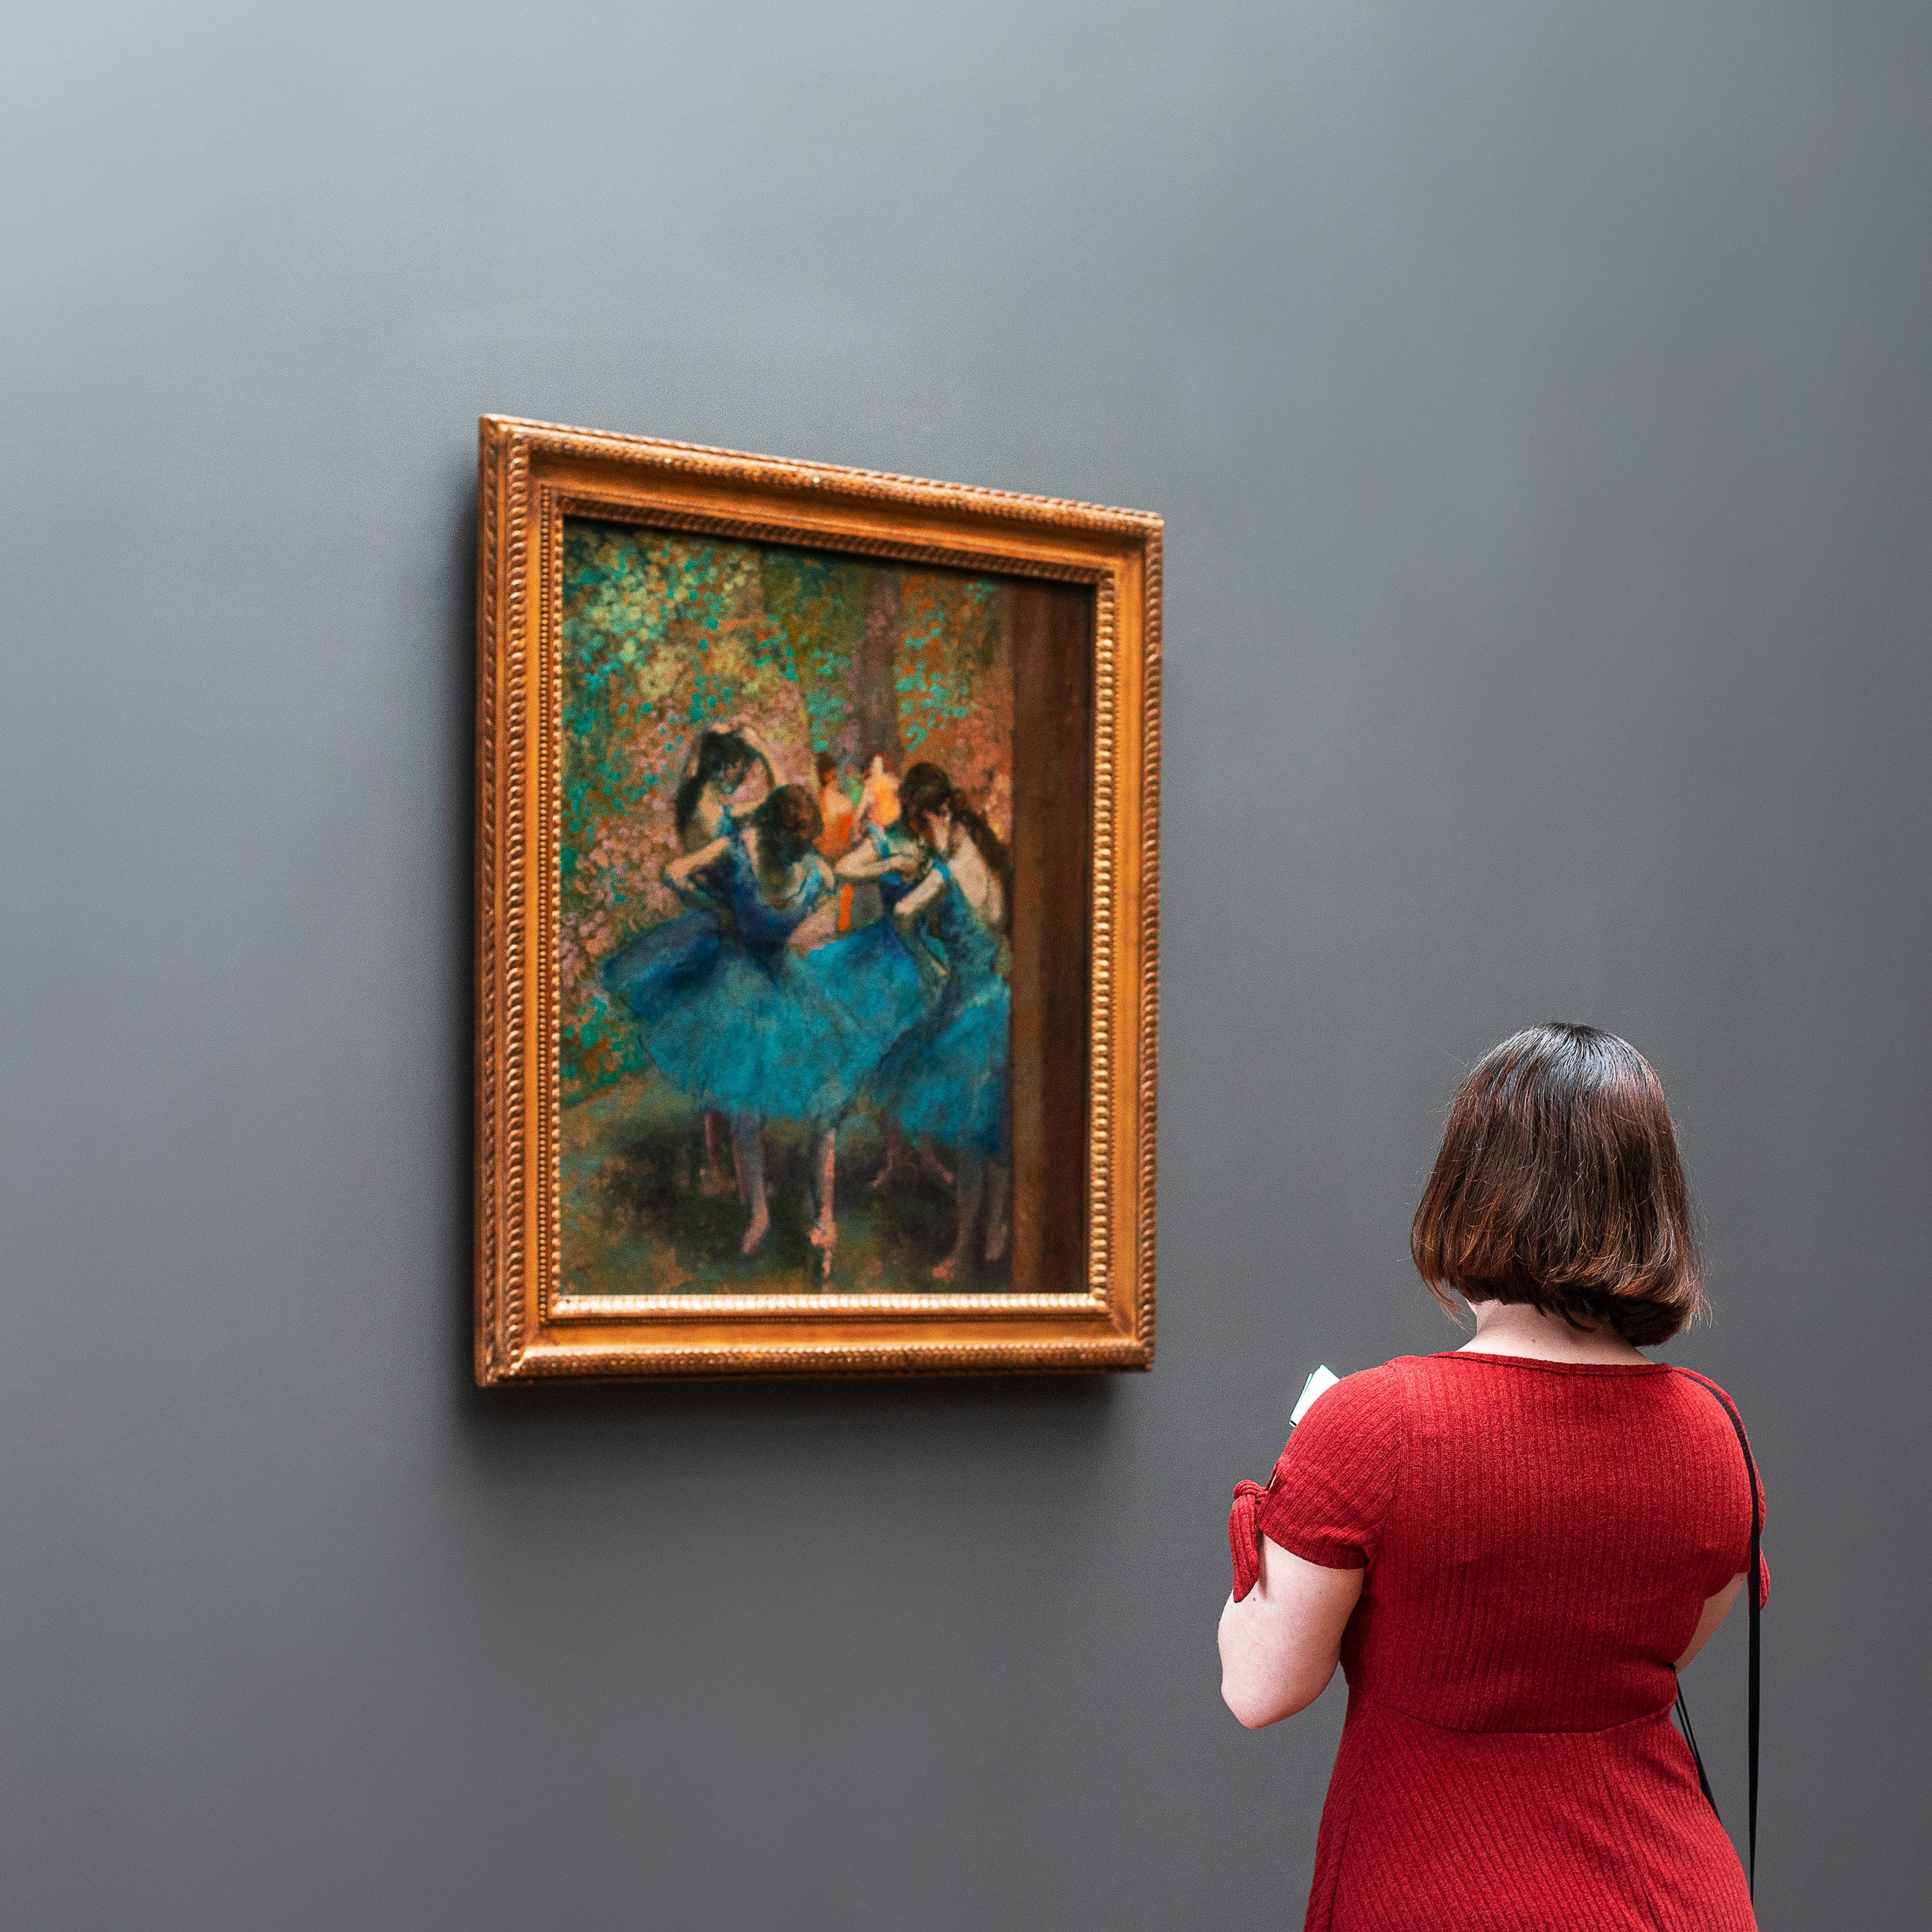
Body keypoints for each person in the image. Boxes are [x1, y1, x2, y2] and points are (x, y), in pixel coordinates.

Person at [1217, 1024, 1766, 1932]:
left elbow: (1259, 1685)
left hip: (1442, 1893)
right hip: (1676, 1896)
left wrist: (1309, 1471)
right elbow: (1658, 1651)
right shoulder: (1716, 1432)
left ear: (1468, 1190)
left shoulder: (1375, 1422)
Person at [612, 783, 860, 1279]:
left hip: (783, 974)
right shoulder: (739, 850)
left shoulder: (817, 872)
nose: (800, 853)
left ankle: (825, 1219)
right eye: (793, 844)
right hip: (738, 976)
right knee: (746, 1104)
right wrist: (718, 910)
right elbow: (673, 872)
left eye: (806, 845)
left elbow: (825, 911)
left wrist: (809, 929)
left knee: (824, 1100)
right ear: (773, 834)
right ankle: (759, 1212)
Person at [867, 761, 1011, 1280]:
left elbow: (903, 916)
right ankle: (994, 1233)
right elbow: (997, 931)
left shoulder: (946, 875)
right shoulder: (988, 856)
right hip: (996, 1001)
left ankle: (965, 1251)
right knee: (992, 1133)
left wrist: (928, 963)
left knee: (974, 1140)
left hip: (968, 1012)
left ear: (943, 812)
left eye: (922, 824)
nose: (921, 836)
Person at [815, 752, 858, 932]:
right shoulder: (844, 802)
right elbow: (847, 837)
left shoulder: (815, 802)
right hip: (840, 852)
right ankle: (843, 923)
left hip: (821, 854)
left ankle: (829, 925)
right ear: (831, 773)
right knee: (845, 885)